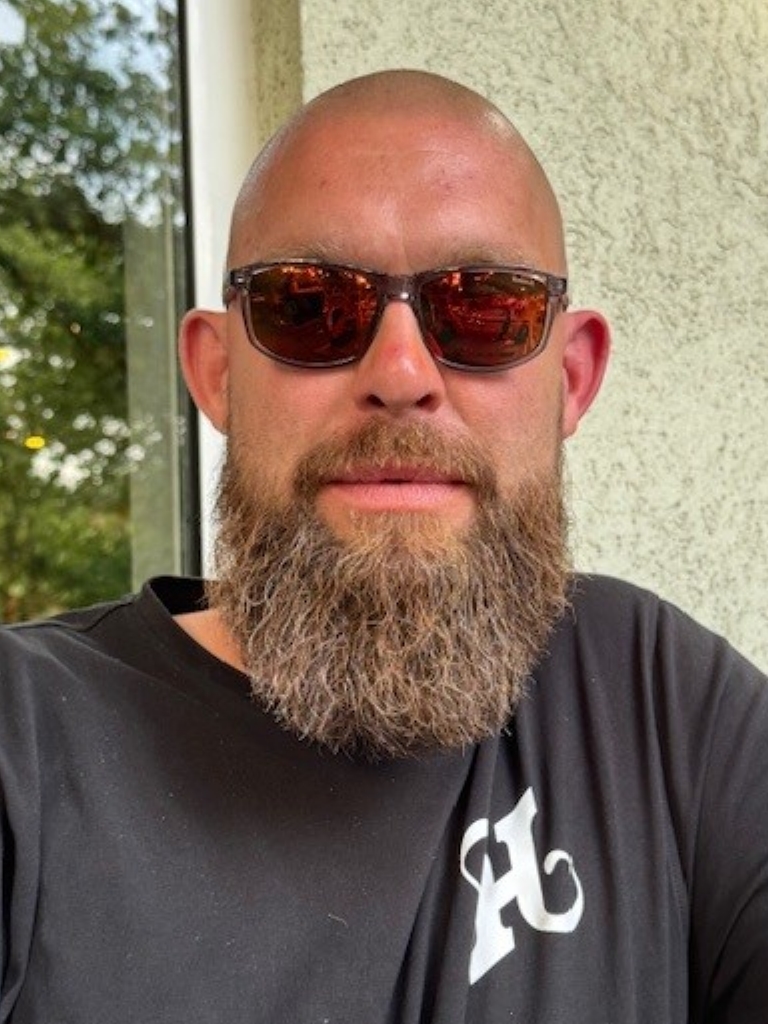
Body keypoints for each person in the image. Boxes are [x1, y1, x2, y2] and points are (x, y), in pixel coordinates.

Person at [1, 69, 766, 1024]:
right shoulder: (25, 741)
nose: (401, 373)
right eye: (309, 305)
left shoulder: (661, 707)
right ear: (217, 373)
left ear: (571, 379)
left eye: (486, 308)